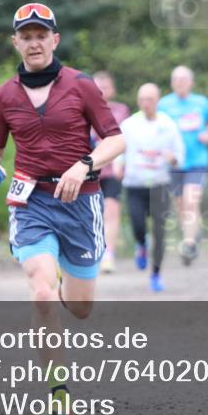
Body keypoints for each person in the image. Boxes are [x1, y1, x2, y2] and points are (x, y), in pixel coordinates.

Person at [0, 2, 125, 415]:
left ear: (54, 40)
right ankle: (58, 391)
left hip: (80, 204)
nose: (34, 42)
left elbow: (115, 140)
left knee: (79, 308)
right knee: (40, 292)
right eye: (26, 36)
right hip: (31, 202)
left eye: (42, 35)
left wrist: (85, 165)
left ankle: (65, 287)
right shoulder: (3, 95)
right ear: (16, 42)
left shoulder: (80, 85)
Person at [118, 83, 185, 292]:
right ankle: (141, 244)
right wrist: (118, 164)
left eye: (150, 99)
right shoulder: (129, 124)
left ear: (157, 100)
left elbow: (179, 156)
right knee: (138, 225)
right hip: (135, 183)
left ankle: (156, 274)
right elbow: (119, 147)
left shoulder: (168, 124)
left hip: (159, 184)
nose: (145, 104)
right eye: (142, 100)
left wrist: (173, 159)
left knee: (160, 231)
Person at [158, 65, 208, 266]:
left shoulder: (200, 103)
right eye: (176, 79)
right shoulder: (164, 105)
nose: (180, 83)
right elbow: (156, 130)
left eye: (184, 79)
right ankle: (194, 233)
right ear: (172, 82)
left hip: (197, 161)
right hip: (174, 163)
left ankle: (189, 244)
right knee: (181, 205)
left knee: (191, 200)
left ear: (191, 82)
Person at [91, 71, 130, 273]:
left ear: (113, 89)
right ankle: (90, 252)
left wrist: (123, 163)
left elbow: (126, 139)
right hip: (88, 170)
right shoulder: (83, 109)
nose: (102, 90)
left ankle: (109, 254)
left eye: (106, 86)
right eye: (98, 87)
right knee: (89, 214)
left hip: (113, 169)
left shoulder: (122, 110)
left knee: (111, 211)